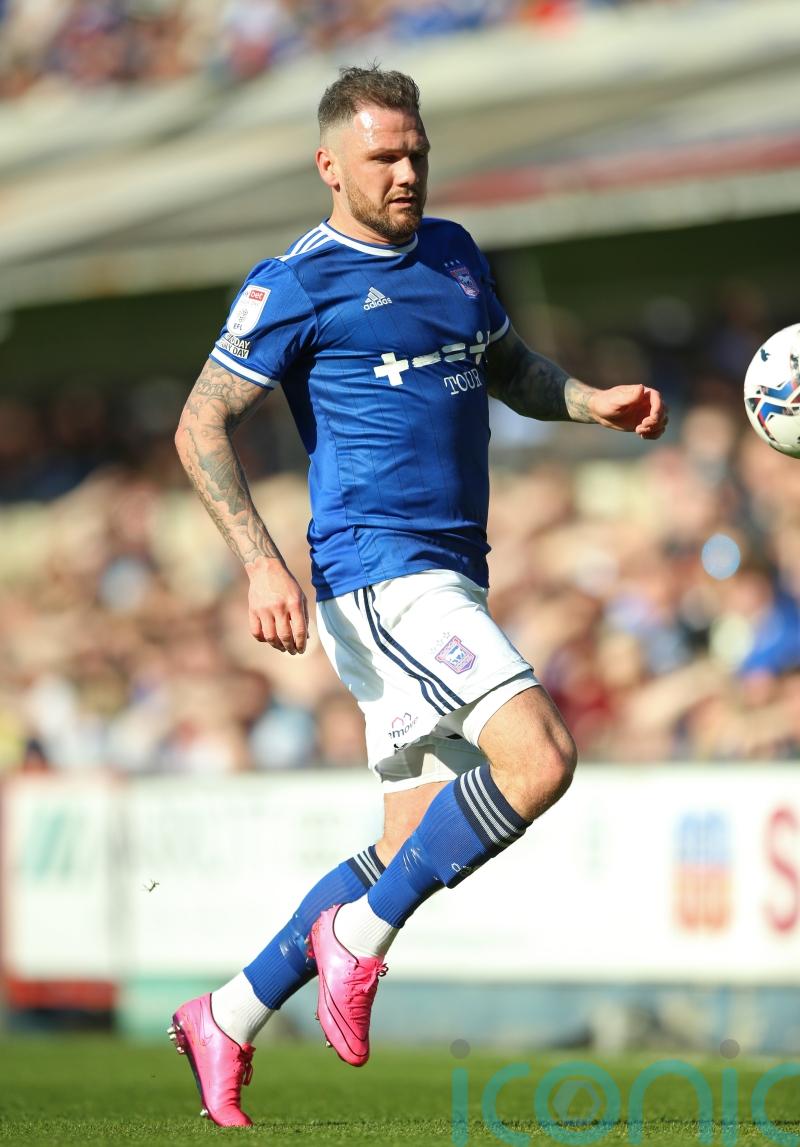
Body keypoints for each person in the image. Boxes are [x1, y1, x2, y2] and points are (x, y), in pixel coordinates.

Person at [168, 64, 668, 1127]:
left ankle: (228, 1010)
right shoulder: (295, 281)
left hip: (444, 568)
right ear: (329, 165)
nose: (405, 173)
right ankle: (358, 940)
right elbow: (199, 423)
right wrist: (261, 560)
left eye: (416, 152)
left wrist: (590, 402)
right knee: (537, 758)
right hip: (380, 576)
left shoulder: (451, 252)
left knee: (404, 845)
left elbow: (509, 367)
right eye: (383, 157)